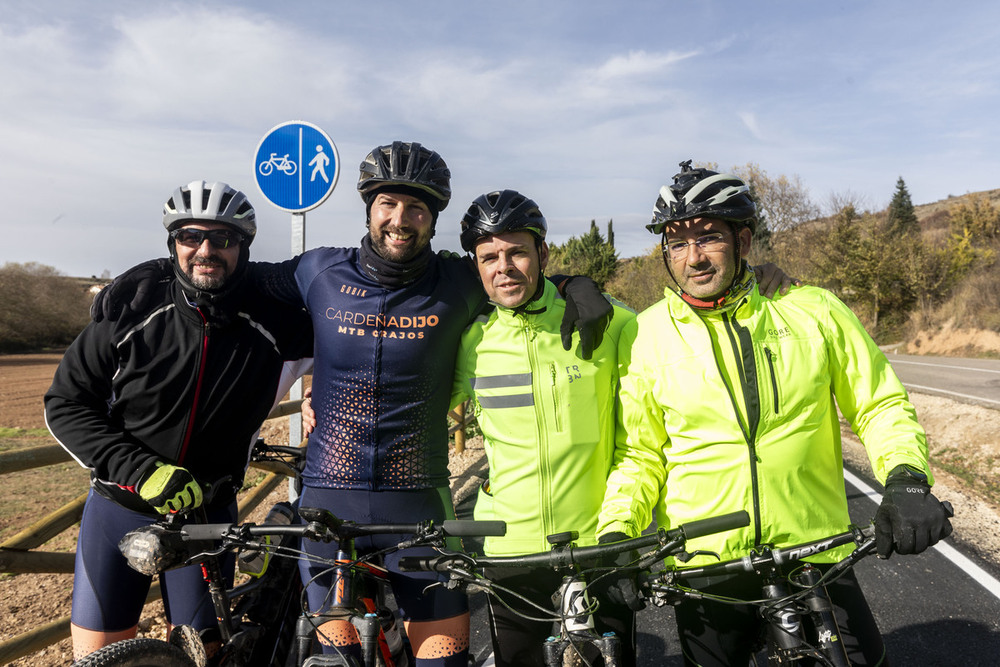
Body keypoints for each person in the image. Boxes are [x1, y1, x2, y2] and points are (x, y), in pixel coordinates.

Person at [91, 142, 615, 666]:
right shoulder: (320, 271)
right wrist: (155, 274)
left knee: (445, 660)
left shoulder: (458, 280)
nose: (400, 219)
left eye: (417, 208)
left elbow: (514, 275)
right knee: (337, 661)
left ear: (433, 219)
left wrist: (575, 284)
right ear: (369, 208)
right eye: (388, 203)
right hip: (327, 506)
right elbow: (224, 271)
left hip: (419, 507)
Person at [595, 161, 954, 666]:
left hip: (814, 550)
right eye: (677, 244)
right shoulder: (646, 335)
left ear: (742, 242)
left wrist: (907, 478)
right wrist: (617, 535)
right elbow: (639, 454)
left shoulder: (814, 310)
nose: (693, 257)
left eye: (708, 238)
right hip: (706, 562)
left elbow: (879, 403)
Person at [45, 181, 313, 660]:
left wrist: (323, 394)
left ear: (244, 246)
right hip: (119, 504)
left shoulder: (274, 319)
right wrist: (140, 470)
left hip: (207, 510)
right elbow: (65, 402)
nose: (205, 250)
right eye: (190, 237)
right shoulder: (130, 309)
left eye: (223, 239)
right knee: (99, 655)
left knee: (205, 651)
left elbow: (352, 332)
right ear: (174, 243)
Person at [449, 190, 638, 666]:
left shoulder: (605, 321)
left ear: (544, 255)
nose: (503, 267)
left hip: (601, 538)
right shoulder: (472, 340)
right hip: (512, 547)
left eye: (517, 252)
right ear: (477, 267)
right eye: (489, 257)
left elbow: (687, 325)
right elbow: (413, 404)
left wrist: (764, 281)